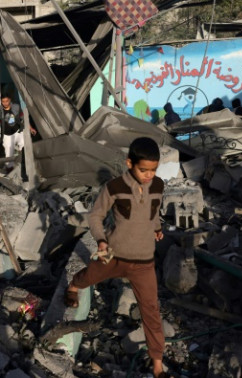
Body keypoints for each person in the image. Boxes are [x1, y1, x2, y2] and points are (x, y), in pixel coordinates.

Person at [64, 137, 167, 378]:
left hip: (144, 263)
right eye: (144, 170)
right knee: (90, 275)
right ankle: (73, 285)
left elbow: (153, 212)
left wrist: (157, 228)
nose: (149, 175)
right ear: (129, 163)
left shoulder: (159, 186)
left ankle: (158, 366)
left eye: (153, 170)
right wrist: (100, 239)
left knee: (151, 310)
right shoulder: (114, 187)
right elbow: (95, 216)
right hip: (114, 254)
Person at [0, 93, 35, 171]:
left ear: (10, 100)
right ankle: (10, 171)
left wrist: (30, 128)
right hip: (7, 135)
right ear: (1, 101)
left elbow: (23, 119)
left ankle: (26, 166)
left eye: (7, 101)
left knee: (24, 147)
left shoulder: (16, 108)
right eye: (3, 101)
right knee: (9, 154)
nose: (5, 103)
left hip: (18, 132)